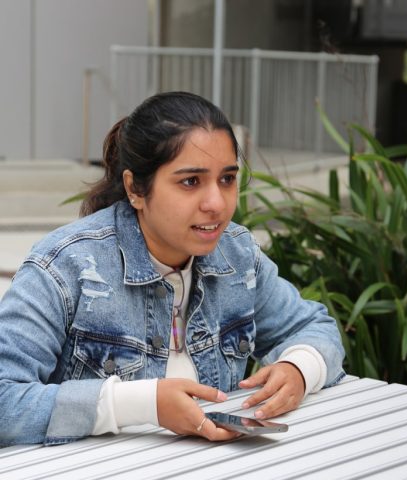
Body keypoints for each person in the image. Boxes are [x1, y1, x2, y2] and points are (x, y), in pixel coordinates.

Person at [0, 91, 345, 447]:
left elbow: (314, 327)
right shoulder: (65, 266)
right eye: (190, 182)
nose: (216, 204)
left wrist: (299, 368)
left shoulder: (236, 254)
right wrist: (141, 404)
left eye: (227, 179)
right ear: (136, 188)